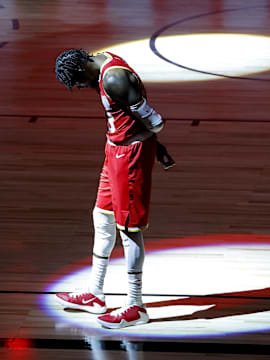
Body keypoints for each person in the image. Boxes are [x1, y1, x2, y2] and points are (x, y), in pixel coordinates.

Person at [54, 49, 175, 329]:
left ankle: (136, 306)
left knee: (129, 229)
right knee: (101, 216)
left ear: (83, 69)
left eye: (80, 82)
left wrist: (152, 146)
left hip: (130, 155)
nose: (83, 87)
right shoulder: (102, 60)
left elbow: (155, 121)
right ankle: (95, 294)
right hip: (115, 150)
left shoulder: (114, 79)